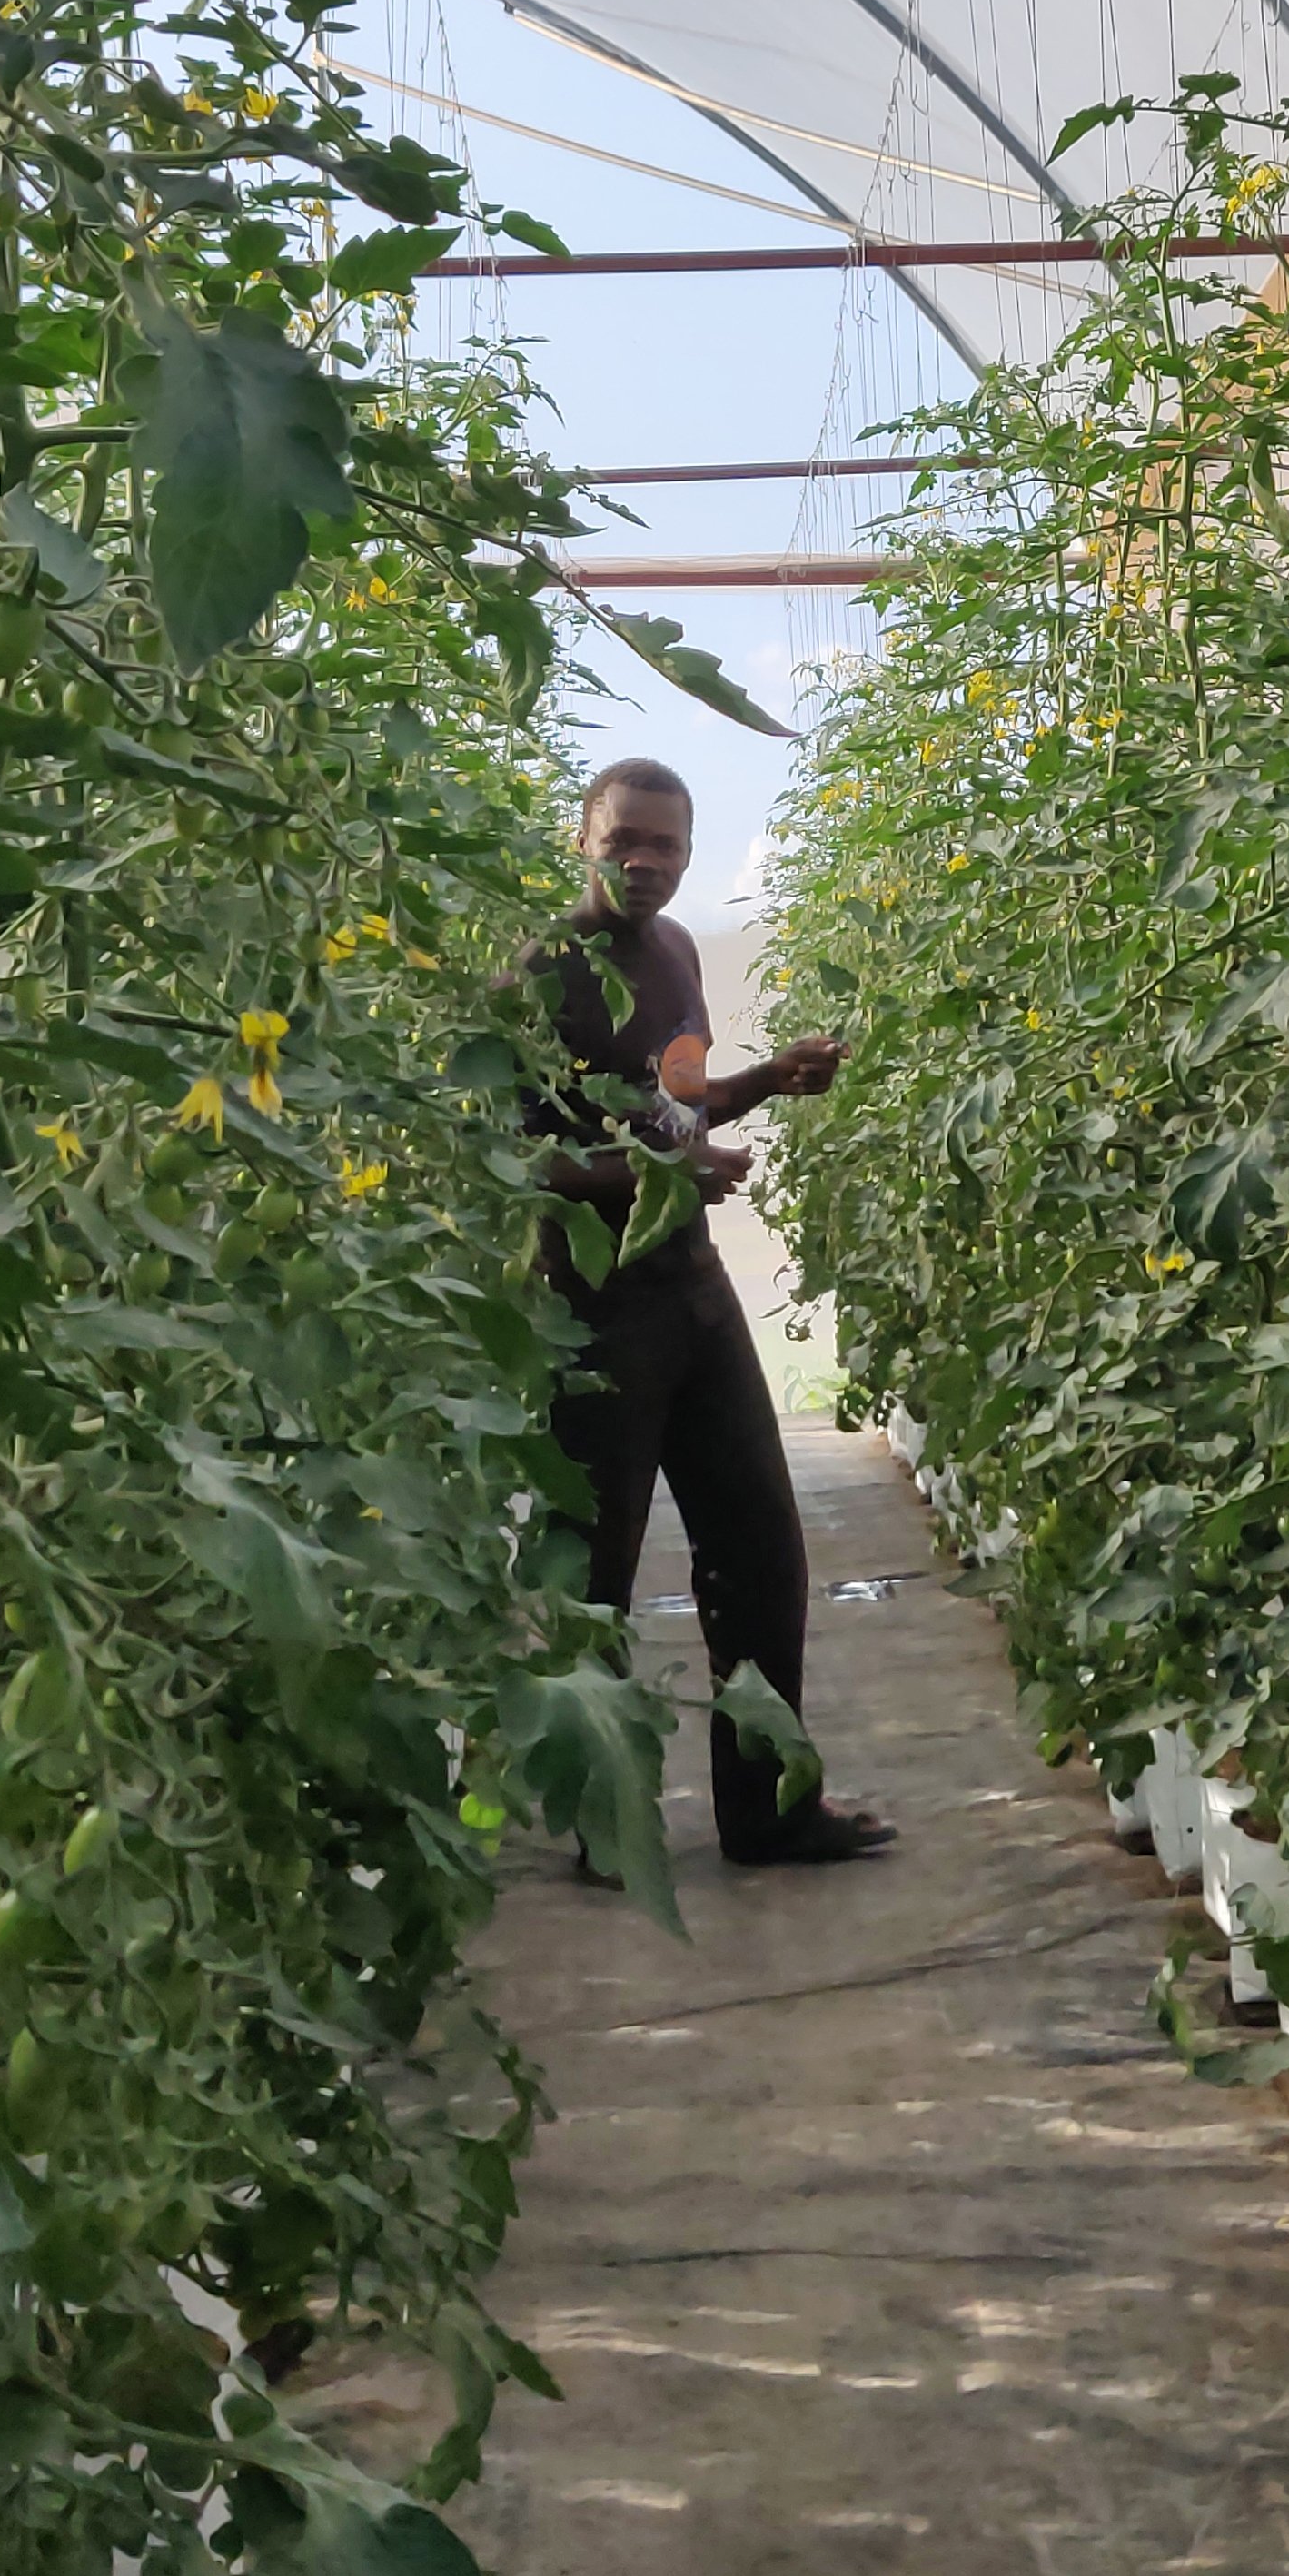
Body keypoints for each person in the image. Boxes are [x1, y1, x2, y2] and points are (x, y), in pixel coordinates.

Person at [522, 757, 896, 1866]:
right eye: (624, 840)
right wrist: (658, 1180)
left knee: (760, 1548)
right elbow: (521, 1160)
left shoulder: (677, 953)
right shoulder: (541, 973)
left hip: (691, 1290)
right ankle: (601, 1826)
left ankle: (769, 1808)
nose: (645, 863)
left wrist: (771, 1080)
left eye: (667, 846)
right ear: (582, 835)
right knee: (595, 1575)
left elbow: (671, 1111)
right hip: (593, 1306)